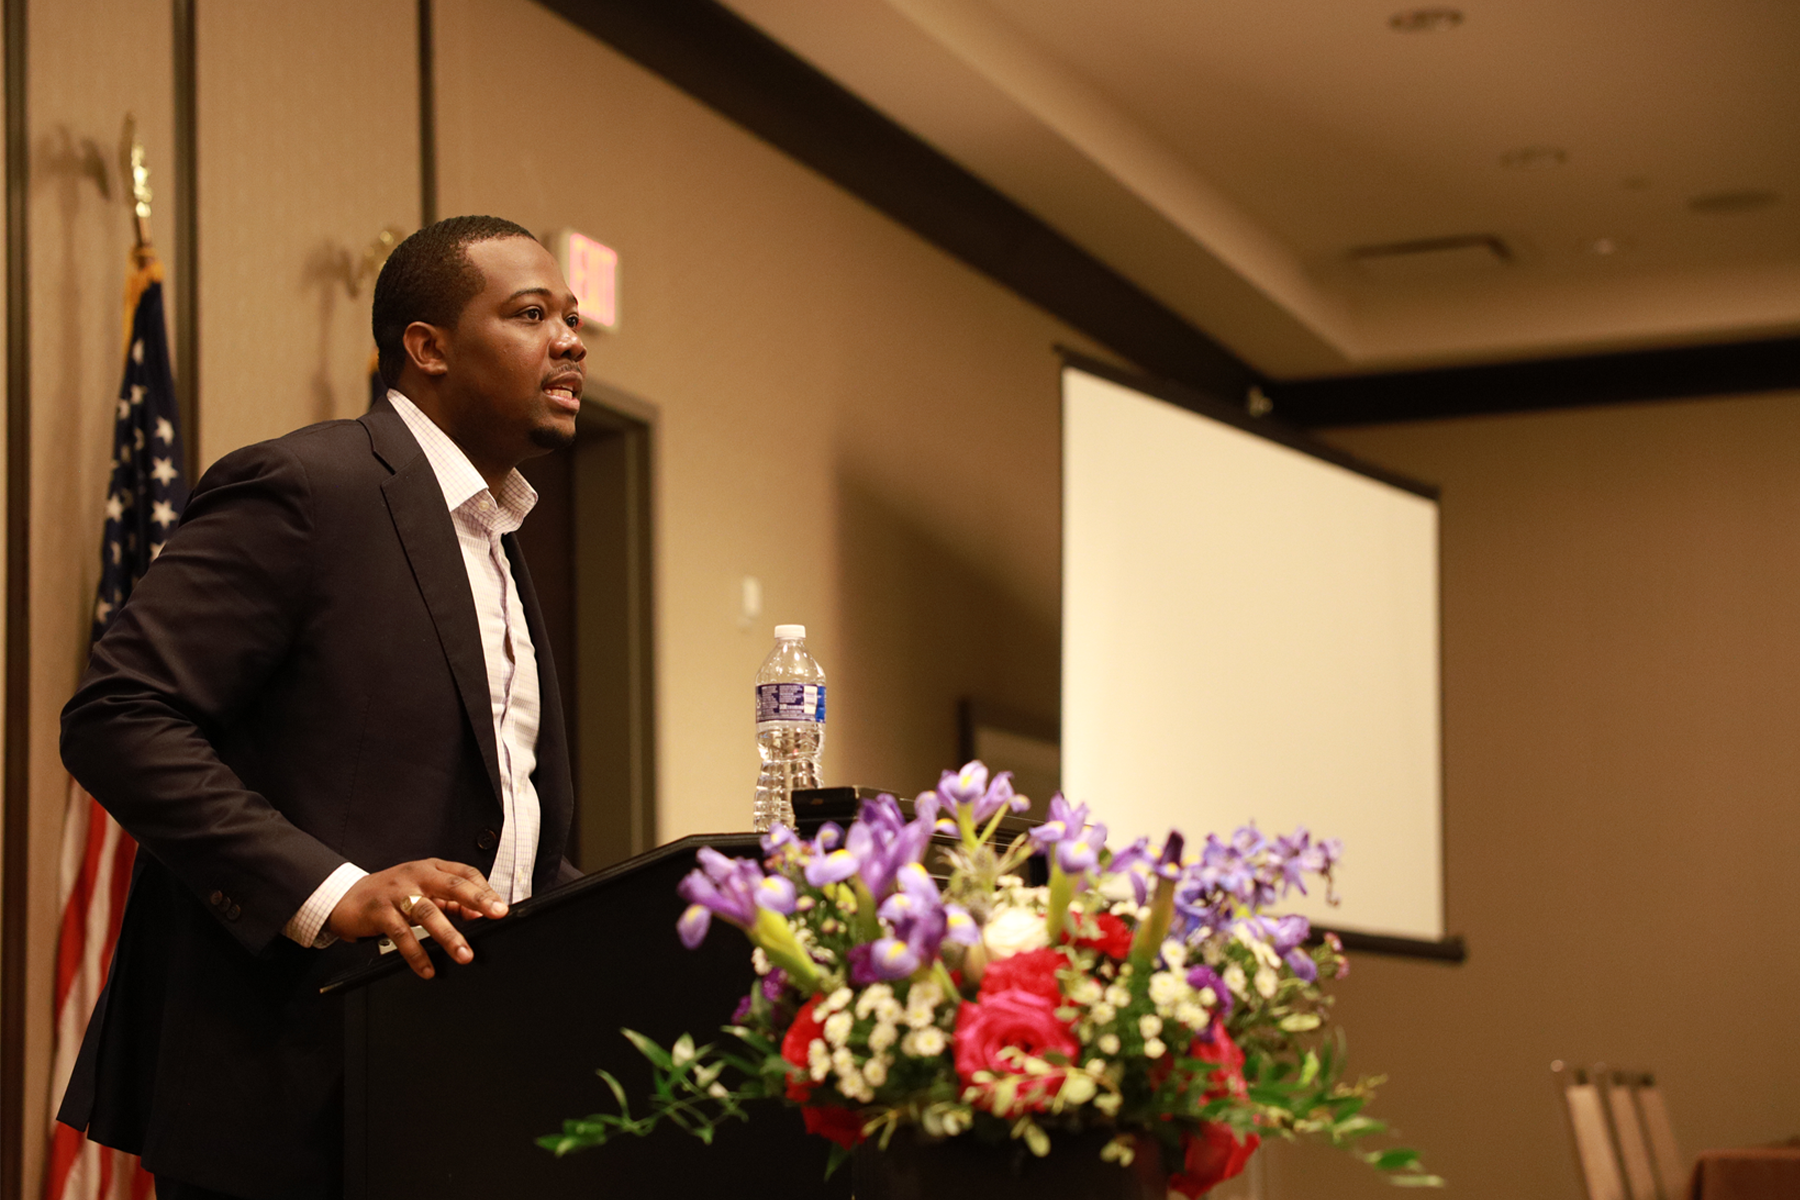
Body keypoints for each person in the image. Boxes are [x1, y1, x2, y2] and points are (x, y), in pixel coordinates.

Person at [57, 215, 588, 1200]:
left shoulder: (497, 536)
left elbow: (503, 816)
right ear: (425, 348)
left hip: (455, 1085)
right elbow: (119, 714)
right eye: (531, 314)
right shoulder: (311, 486)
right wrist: (333, 890)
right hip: (289, 1087)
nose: (571, 339)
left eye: (570, 316)